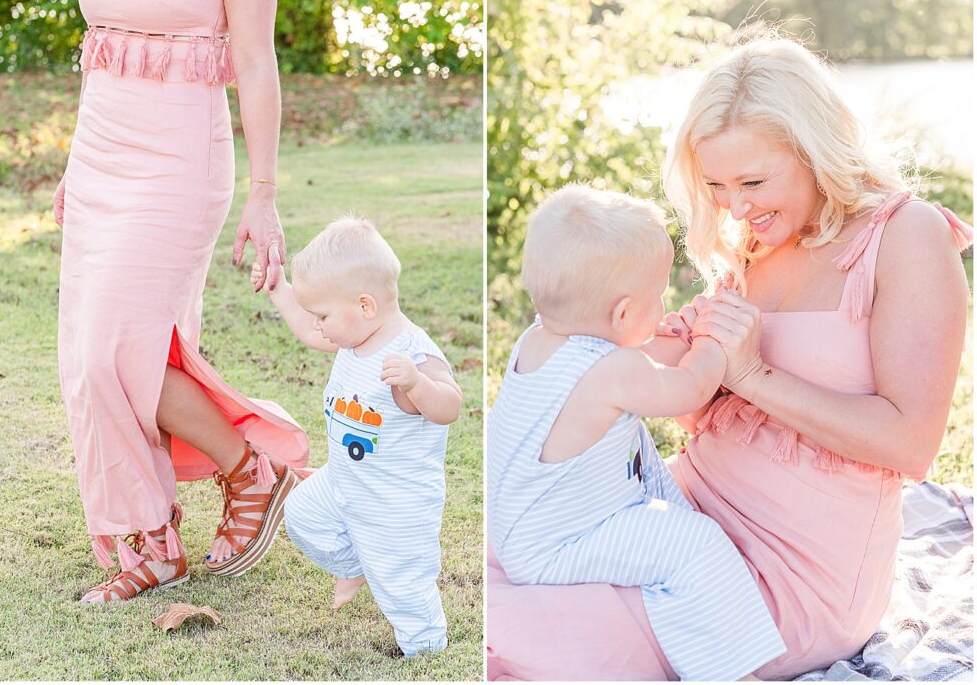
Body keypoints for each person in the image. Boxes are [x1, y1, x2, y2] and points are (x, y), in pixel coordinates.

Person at [486, 35, 973, 680]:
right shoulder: (755, 244)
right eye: (716, 185)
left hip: (791, 573)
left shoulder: (905, 237)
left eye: (752, 181)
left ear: (816, 152)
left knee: (539, 631)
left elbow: (912, 444)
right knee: (507, 555)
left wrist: (751, 375)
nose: (736, 208)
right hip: (679, 512)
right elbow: (682, 387)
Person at [42, 0, 309, 602]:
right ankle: (154, 545)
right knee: (85, 358)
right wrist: (77, 165)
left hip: (178, 160)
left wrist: (264, 193)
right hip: (101, 150)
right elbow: (99, 51)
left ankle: (249, 469)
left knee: (114, 354)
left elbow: (254, 61)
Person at [488, 185, 786, 680]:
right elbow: (688, 390)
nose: (664, 304)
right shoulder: (615, 369)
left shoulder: (536, 340)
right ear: (623, 314)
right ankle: (735, 671)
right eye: (659, 295)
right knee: (693, 544)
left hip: (528, 526)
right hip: (563, 542)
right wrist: (713, 342)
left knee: (667, 527)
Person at [251, 216, 462, 657]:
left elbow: (450, 406)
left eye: (324, 315)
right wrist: (279, 291)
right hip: (344, 480)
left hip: (394, 499)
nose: (319, 326)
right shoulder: (354, 337)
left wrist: (417, 385)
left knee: (402, 577)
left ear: (364, 306)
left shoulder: (411, 352)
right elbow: (309, 331)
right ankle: (358, 562)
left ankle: (424, 645)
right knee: (303, 514)